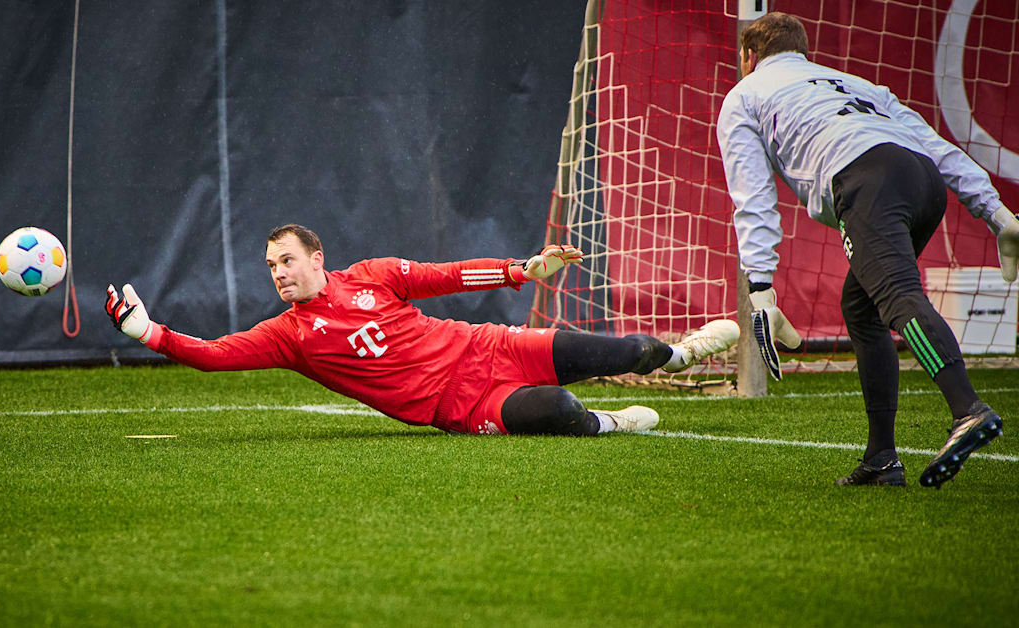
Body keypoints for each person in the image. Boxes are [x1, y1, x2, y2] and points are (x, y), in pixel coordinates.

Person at [717, 12, 1019, 487]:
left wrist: (760, 287)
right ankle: (881, 459)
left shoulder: (744, 95)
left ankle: (968, 410)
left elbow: (754, 198)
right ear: (803, 51)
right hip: (923, 182)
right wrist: (998, 213)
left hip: (866, 180)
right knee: (861, 307)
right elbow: (935, 146)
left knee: (898, 297)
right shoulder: (854, 82)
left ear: (748, 57)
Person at [105, 224, 739, 437]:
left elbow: (451, 275)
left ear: (317, 258)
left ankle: (679, 355)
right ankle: (614, 423)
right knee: (559, 408)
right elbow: (215, 354)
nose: (279, 274)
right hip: (461, 404)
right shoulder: (287, 335)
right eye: (271, 267)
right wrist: (150, 332)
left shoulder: (374, 275)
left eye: (287, 261)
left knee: (632, 349)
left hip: (489, 346)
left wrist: (524, 269)